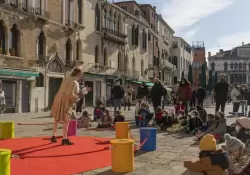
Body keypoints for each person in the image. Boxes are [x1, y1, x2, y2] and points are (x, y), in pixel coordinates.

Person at [50, 68, 91, 145]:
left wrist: (83, 91)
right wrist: (80, 96)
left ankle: (53, 136)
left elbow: (72, 91)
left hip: (58, 99)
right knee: (66, 120)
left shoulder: (66, 79)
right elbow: (72, 94)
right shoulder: (75, 82)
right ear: (77, 74)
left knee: (57, 119)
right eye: (81, 74)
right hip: (65, 101)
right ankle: (64, 139)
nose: (81, 76)